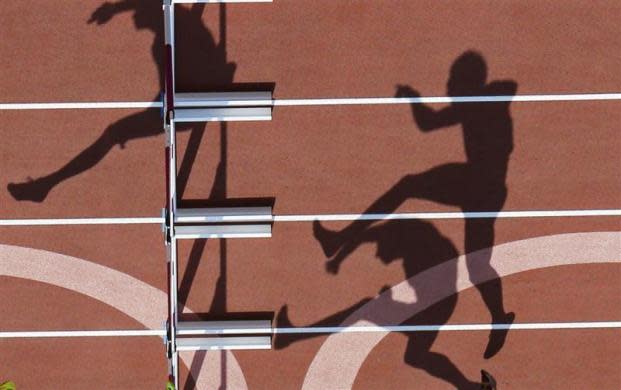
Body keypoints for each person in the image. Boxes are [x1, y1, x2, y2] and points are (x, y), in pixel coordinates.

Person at [314, 51, 515, 359]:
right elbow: (429, 122)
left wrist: (412, 97)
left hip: (479, 184)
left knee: (409, 187)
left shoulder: (481, 104)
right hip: (483, 187)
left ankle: (341, 238)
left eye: (452, 82)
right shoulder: (478, 104)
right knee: (477, 265)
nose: (448, 88)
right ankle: (500, 316)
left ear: (467, 82)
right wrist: (412, 98)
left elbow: (431, 123)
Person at [7, 0, 235, 202]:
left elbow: (167, 103)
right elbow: (143, 4)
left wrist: (141, 124)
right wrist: (115, 8)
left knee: (112, 133)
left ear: (150, 16)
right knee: (117, 131)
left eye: (138, 13)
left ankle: (45, 186)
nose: (134, 17)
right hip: (201, 83)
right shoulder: (174, 19)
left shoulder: (161, 46)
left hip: (190, 108)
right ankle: (45, 185)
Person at [277, 219, 497, 389]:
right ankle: (468, 387)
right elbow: (365, 236)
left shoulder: (428, 254)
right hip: (430, 300)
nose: (379, 257)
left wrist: (392, 303)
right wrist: (338, 256)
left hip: (438, 305)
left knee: (365, 310)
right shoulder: (403, 238)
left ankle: (292, 335)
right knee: (414, 356)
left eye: (382, 253)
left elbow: (435, 292)